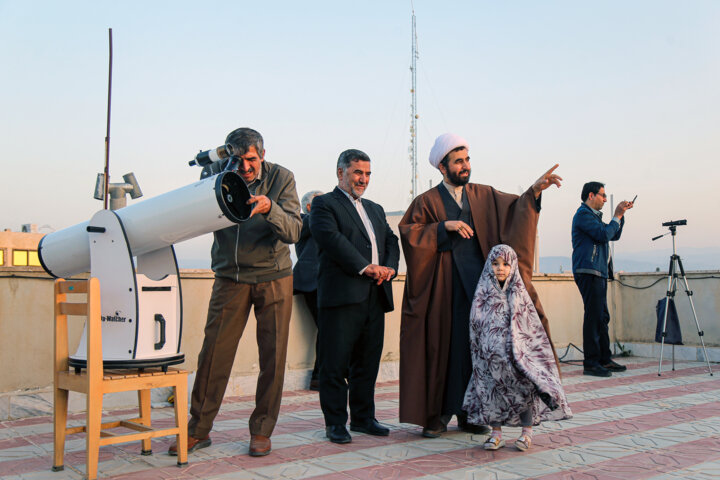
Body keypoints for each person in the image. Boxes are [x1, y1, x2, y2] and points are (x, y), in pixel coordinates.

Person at [398, 132, 562, 438]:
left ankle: (472, 414)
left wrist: (534, 192)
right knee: (444, 348)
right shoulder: (427, 201)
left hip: (481, 290)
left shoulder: (483, 194)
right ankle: (436, 415)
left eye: (467, 159)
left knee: (481, 351)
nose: (465, 166)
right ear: (442, 167)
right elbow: (410, 232)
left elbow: (516, 210)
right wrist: (442, 228)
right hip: (444, 289)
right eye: (458, 161)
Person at [169, 127, 302, 457]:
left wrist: (270, 207)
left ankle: (261, 430)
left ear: (263, 155)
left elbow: (295, 231)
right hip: (229, 277)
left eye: (251, 160)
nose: (244, 167)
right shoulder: (215, 172)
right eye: (237, 160)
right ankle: (198, 429)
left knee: (273, 357)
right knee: (214, 354)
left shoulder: (282, 178)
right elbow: (195, 213)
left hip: (273, 277)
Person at [309, 149, 400, 444]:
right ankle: (335, 423)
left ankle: (363, 418)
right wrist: (365, 267)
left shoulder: (375, 208)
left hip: (375, 295)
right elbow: (331, 240)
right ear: (341, 173)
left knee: (367, 363)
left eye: (367, 174)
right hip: (341, 297)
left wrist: (389, 268)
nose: (363, 179)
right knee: (334, 365)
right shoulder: (324, 204)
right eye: (357, 173)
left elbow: (391, 239)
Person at [463, 244, 572, 451]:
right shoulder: (482, 296)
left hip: (517, 360)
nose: (500, 268)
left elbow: (530, 328)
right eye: (495, 264)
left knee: (523, 393)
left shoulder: (520, 295)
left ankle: (527, 432)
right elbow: (475, 326)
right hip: (490, 361)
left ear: (513, 266)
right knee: (491, 393)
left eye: (505, 264)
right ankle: (496, 434)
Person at [572, 181, 633, 377]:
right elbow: (602, 234)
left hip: (598, 272)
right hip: (589, 271)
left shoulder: (593, 217)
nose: (605, 199)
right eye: (602, 195)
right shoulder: (583, 215)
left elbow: (612, 235)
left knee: (601, 317)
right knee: (593, 316)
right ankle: (590, 363)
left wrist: (620, 217)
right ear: (591, 195)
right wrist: (616, 216)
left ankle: (604, 360)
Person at [293, 190, 324, 391]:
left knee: (328, 327)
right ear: (311, 207)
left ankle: (322, 375)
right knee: (327, 326)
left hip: (322, 281)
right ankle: (319, 377)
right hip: (310, 281)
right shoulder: (304, 221)